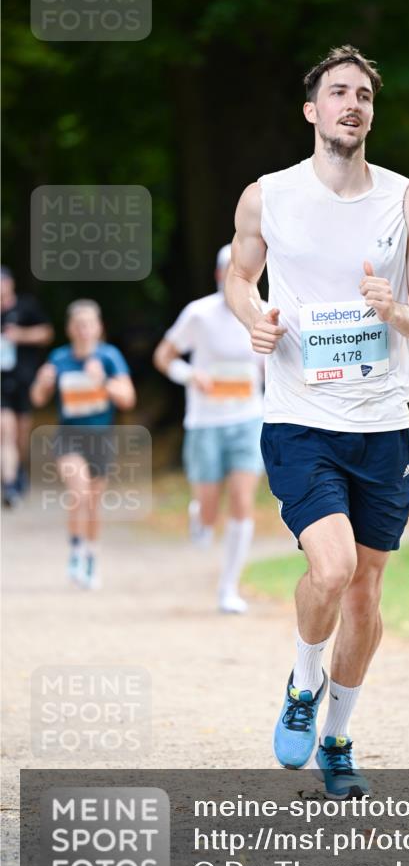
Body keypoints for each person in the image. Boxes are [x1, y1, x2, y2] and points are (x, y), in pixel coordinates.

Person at [225, 45, 409, 798]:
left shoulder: (408, 202)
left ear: (371, 115)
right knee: (331, 568)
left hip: (382, 424)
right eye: (338, 92)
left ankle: (338, 738)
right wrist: (254, 318)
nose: (352, 104)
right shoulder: (267, 197)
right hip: (299, 417)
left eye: (364, 96)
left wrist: (398, 311)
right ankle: (302, 682)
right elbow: (239, 277)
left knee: (364, 592)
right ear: (311, 110)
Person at [153, 245, 265, 615]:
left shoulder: (264, 313)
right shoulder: (198, 314)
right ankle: (199, 515)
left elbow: (270, 366)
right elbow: (163, 357)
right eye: (229, 269)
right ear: (219, 275)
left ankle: (228, 587)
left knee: (242, 500)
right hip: (205, 422)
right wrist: (190, 375)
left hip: (248, 419)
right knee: (209, 508)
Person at [30, 300, 135, 589]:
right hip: (69, 436)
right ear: (70, 329)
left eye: (89, 325)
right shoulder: (59, 358)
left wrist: (103, 382)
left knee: (92, 503)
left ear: (98, 328)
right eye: (78, 325)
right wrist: (42, 383)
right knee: (79, 492)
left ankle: (91, 555)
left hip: (101, 438)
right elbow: (37, 398)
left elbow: (128, 398)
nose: (84, 331)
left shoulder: (109, 357)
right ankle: (76, 549)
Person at [0, 266, 53, 506]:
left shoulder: (26, 306)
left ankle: (19, 468)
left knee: (21, 434)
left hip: (24, 379)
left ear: (10, 284)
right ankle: (9, 485)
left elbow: (46, 333)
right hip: (1, 381)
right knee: (5, 431)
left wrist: (20, 335)